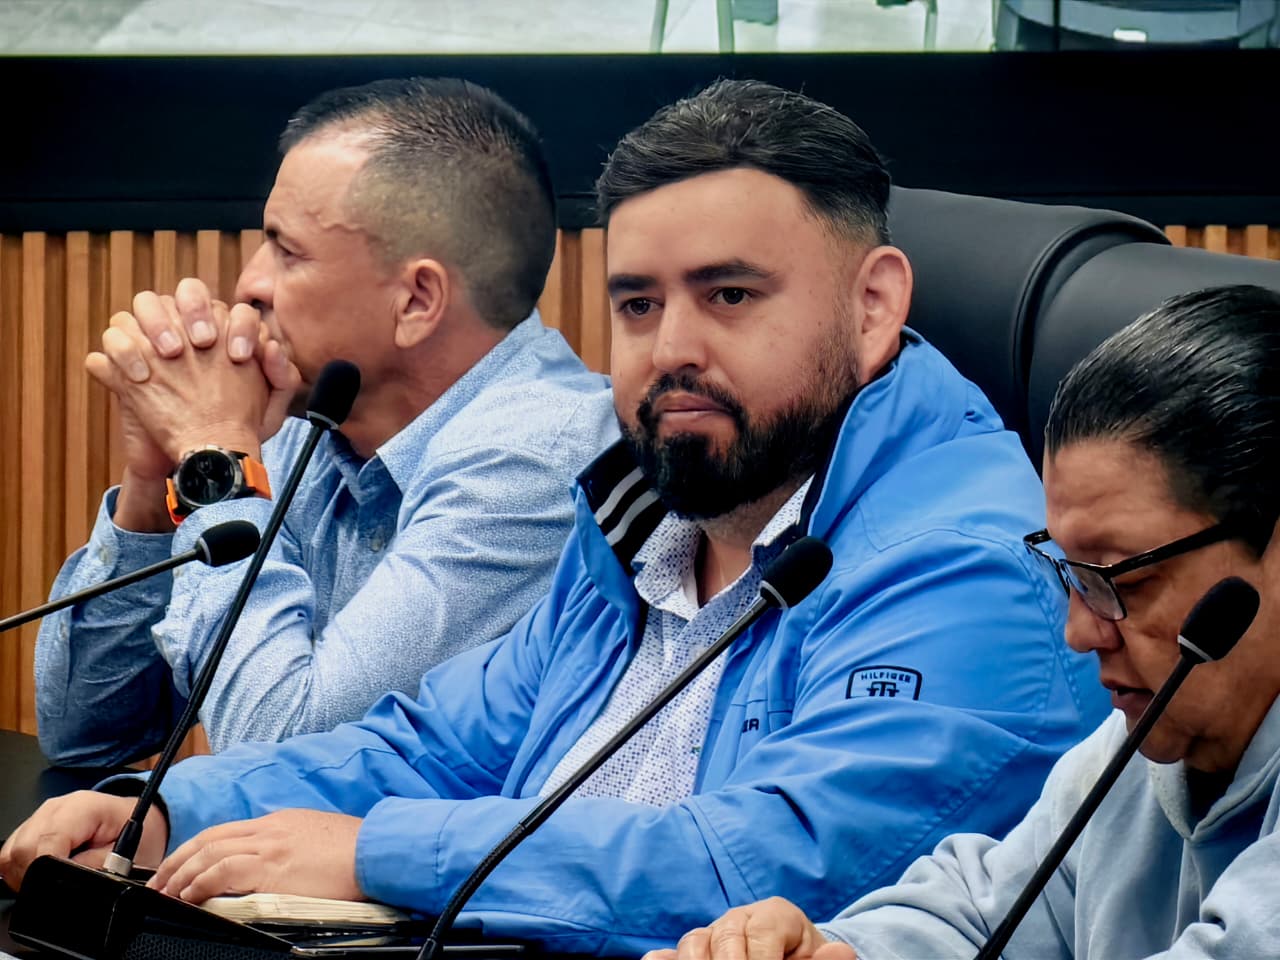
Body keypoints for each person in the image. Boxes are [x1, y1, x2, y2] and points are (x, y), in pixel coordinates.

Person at [1, 79, 1107, 955]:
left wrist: (378, 853)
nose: (671, 348)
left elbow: (771, 862)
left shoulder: (973, 568)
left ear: (872, 306)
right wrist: (167, 805)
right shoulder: (647, 513)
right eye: (638, 303)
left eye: (729, 296)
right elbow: (439, 742)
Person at [648, 284, 1280, 960]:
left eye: (1123, 580)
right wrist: (832, 951)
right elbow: (979, 916)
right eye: (1072, 574)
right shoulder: (1130, 752)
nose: (1080, 632)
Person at [34, 76, 616, 764]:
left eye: (287, 251)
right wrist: (155, 482)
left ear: (416, 300)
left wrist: (216, 454)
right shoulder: (311, 421)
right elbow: (86, 733)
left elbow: (283, 753)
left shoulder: (536, 462)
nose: (249, 284)